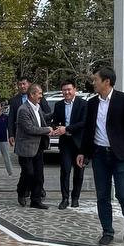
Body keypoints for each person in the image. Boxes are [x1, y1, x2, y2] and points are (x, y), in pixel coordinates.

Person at [76, 66, 124, 246]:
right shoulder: (91, 103)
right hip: (99, 155)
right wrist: (83, 152)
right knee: (102, 196)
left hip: (120, 155)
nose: (93, 83)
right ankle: (107, 231)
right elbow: (88, 130)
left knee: (123, 194)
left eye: (96, 80)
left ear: (107, 81)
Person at [14, 84, 55, 210]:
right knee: (28, 173)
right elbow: (30, 129)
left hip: (38, 147)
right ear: (32, 94)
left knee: (39, 175)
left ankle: (36, 200)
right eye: (39, 93)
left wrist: (55, 113)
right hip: (26, 148)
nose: (41, 96)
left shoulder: (37, 107)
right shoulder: (23, 109)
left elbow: (42, 119)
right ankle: (21, 191)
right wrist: (47, 130)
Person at [50, 80, 87, 209]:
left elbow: (84, 122)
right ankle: (65, 198)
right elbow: (55, 120)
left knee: (79, 172)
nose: (66, 92)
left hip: (79, 143)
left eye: (69, 89)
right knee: (65, 171)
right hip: (65, 142)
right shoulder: (59, 105)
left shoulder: (83, 104)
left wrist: (67, 129)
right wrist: (55, 128)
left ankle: (75, 198)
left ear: (74, 90)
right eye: (64, 90)